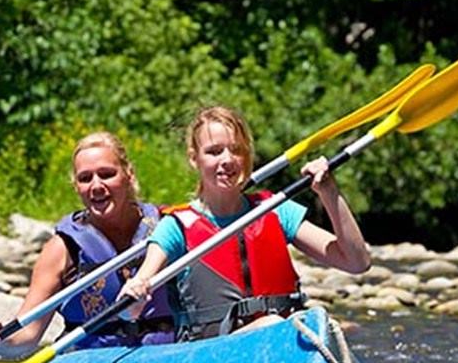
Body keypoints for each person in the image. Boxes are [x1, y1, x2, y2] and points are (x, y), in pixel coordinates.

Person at [119, 105, 371, 340]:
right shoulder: (175, 228)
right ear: (194, 159)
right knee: (272, 326)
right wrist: (136, 293)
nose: (227, 160)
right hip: (212, 356)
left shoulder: (275, 209)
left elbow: (356, 261)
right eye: (214, 151)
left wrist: (328, 191)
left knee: (313, 324)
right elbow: (132, 306)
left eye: (236, 149)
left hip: (280, 343)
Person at [0, 131, 174, 352]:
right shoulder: (62, 248)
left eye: (106, 174)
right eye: (85, 178)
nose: (96, 186)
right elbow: (27, 334)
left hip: (163, 357)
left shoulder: (168, 227)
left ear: (128, 174)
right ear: (76, 186)